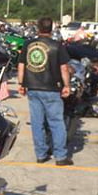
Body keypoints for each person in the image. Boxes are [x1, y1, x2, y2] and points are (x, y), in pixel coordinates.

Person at [17, 16, 72, 166]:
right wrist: (67, 85)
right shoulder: (57, 45)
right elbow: (64, 68)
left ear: (37, 28)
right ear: (52, 28)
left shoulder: (28, 45)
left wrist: (21, 83)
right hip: (52, 88)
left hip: (33, 88)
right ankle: (60, 157)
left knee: (37, 122)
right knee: (56, 122)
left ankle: (40, 154)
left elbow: (21, 65)